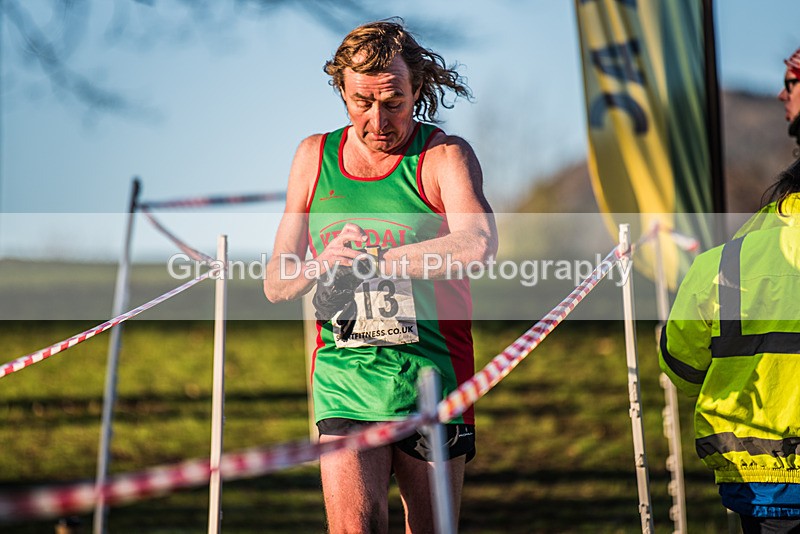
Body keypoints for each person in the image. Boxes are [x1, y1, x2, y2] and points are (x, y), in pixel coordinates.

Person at [263, 19, 497, 533]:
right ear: (341, 92)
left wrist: (379, 262)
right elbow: (277, 282)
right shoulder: (312, 157)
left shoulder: (443, 156)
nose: (378, 120)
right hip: (346, 378)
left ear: (418, 88)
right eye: (361, 102)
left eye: (393, 101)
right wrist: (322, 265)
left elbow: (477, 243)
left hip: (432, 378)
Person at [658, 47, 800, 533]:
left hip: (761, 478)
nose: (783, 93)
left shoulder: (727, 263)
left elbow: (681, 361)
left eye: (792, 82)